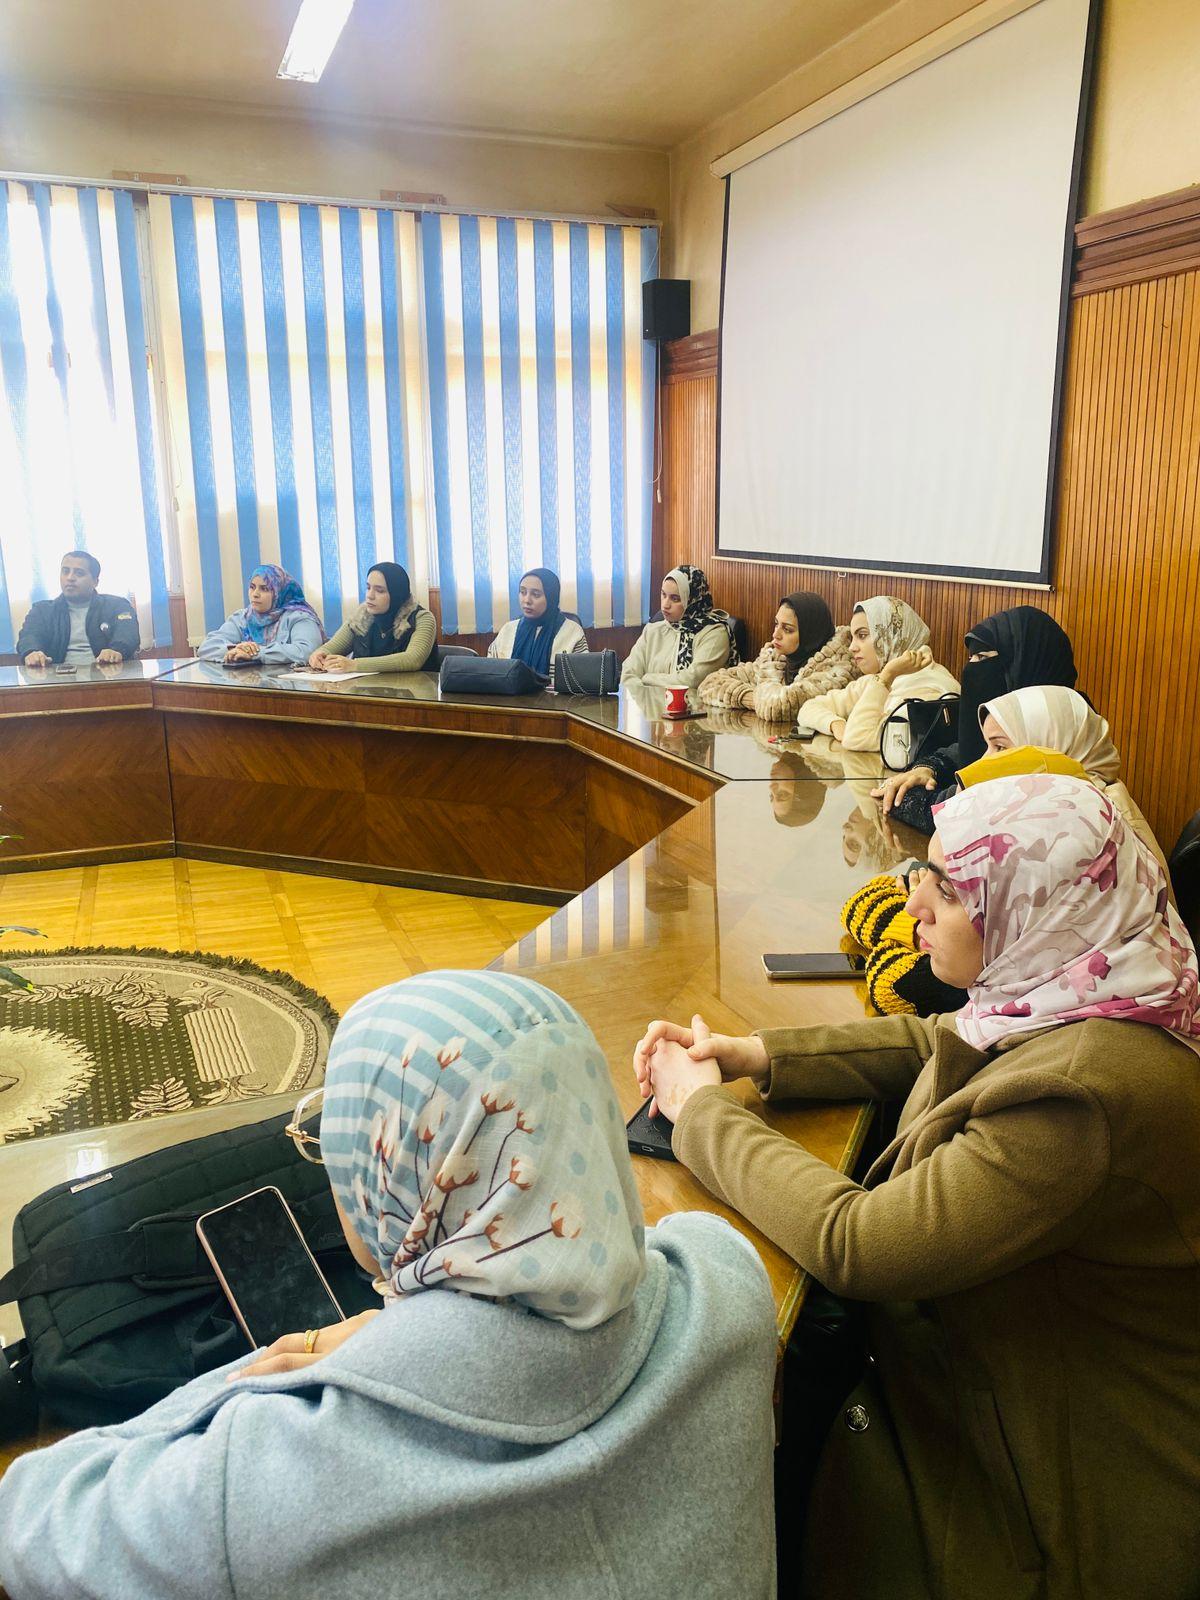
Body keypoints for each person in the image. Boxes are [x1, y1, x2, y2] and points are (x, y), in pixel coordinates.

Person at [0, 970, 779, 1600]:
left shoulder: (272, 1477)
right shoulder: (726, 1283)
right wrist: (410, 1341)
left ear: (401, 1179)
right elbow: (630, 1251)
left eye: (331, 1139)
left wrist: (303, 1366)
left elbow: (31, 1511)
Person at [634, 774, 1200, 1600]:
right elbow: (938, 1037)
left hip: (1053, 1488)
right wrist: (756, 1054)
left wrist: (699, 1113)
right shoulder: (1090, 983)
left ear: (1038, 906)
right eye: (923, 877)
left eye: (950, 891)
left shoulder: (1081, 1100)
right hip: (1003, 1378)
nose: (914, 910)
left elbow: (861, 1244)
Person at [872, 604, 1077, 824]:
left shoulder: (1050, 738)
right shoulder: (1048, 717)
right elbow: (966, 749)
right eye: (971, 658)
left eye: (981, 657)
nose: (970, 669)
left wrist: (903, 795)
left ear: (1024, 662)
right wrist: (927, 768)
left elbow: (957, 813)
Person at [795, 596, 958, 762]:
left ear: (892, 636)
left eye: (862, 635)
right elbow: (808, 708)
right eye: (853, 637)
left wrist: (887, 677)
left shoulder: (932, 688)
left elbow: (856, 739)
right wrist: (835, 723)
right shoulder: (879, 679)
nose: (852, 647)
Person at [698, 591, 857, 721]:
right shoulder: (774, 658)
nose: (776, 634)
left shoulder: (838, 670)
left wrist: (752, 697)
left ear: (811, 634)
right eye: (776, 624)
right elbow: (709, 684)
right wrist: (753, 698)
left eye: (787, 629)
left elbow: (781, 706)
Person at [621, 565, 738, 693]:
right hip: (648, 704)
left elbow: (691, 681)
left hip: (693, 705)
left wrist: (647, 679)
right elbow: (628, 674)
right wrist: (646, 696)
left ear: (692, 600)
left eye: (675, 599)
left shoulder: (714, 634)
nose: (665, 605)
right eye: (663, 594)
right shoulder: (653, 630)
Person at [309, 562, 440, 675]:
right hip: (366, 692)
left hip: (414, 693)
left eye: (380, 590)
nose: (370, 596)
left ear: (396, 594)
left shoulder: (422, 618)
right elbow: (331, 647)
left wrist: (354, 665)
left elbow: (412, 660)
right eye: (368, 587)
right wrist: (319, 655)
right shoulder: (361, 617)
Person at [16, 550, 140, 666]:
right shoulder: (41, 610)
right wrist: (31, 652)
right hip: (57, 677)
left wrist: (116, 650)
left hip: (107, 675)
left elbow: (128, 634)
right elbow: (29, 637)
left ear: (95, 581)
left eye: (79, 573)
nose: (70, 578)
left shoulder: (117, 606)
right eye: (65, 571)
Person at [197, 564, 325, 666]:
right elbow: (207, 646)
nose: (255, 594)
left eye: (264, 589)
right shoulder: (243, 617)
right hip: (249, 684)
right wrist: (234, 650)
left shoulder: (299, 617)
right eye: (252, 587)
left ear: (279, 593)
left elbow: (307, 651)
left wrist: (256, 653)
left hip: (292, 686)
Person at [488, 568, 587, 671]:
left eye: (536, 595)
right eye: (523, 592)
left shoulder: (572, 632)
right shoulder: (508, 630)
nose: (527, 600)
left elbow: (582, 675)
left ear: (551, 597)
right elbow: (491, 672)